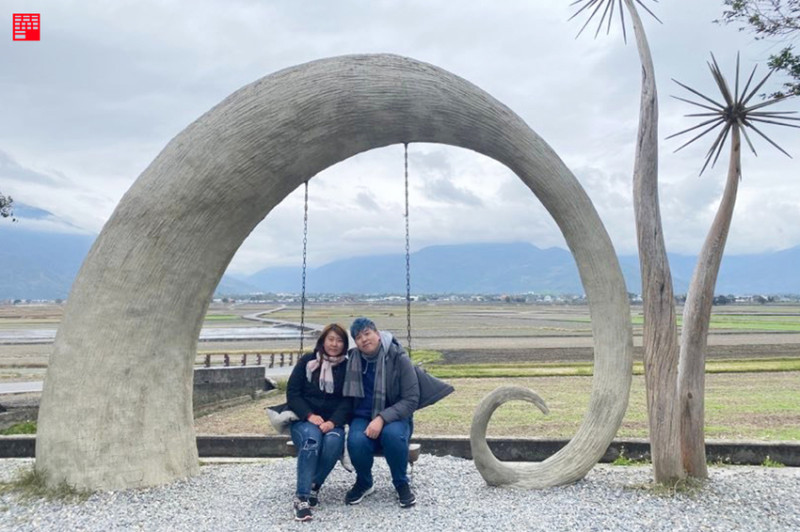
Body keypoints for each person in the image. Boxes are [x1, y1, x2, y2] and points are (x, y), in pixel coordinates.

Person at [343, 317, 420, 508]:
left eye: (367, 333)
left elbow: (411, 399)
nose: (364, 339)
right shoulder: (352, 360)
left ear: (377, 334)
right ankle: (364, 482)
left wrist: (381, 418)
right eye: (358, 337)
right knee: (356, 440)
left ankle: (401, 483)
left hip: (395, 415)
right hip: (362, 415)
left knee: (392, 435)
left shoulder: (398, 358)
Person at [286, 323, 352, 522]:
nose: (334, 344)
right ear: (323, 340)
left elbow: (349, 400)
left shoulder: (348, 366)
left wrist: (333, 422)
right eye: (331, 339)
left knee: (333, 442)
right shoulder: (307, 361)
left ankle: (314, 485)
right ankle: (302, 498)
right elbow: (293, 393)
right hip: (305, 420)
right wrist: (309, 415)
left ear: (345, 344)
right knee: (312, 440)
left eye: (340, 340)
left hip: (334, 422)